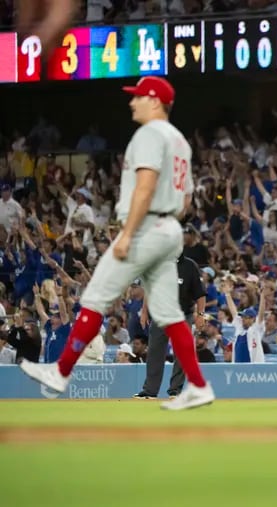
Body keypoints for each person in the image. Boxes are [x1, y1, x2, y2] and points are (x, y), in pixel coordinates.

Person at [19, 77, 215, 410]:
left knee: (95, 298)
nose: (131, 102)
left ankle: (59, 372)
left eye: (138, 97)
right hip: (168, 230)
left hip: (145, 228)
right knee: (168, 313)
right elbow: (184, 203)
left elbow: (144, 186)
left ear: (154, 101)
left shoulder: (150, 134)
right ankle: (197, 385)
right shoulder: (180, 141)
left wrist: (128, 234)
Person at [134, 254, 206, 399]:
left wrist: (200, 314)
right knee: (154, 353)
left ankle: (175, 391)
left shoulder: (190, 266)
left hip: (182, 315)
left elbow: (200, 294)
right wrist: (144, 312)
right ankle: (150, 391)